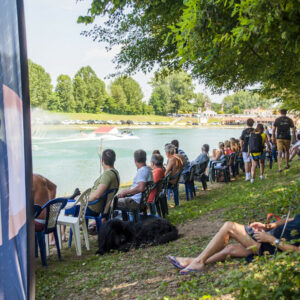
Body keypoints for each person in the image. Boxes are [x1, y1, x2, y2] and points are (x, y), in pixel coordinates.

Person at [167, 215, 300, 275]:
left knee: (229, 227)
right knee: (229, 249)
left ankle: (199, 261)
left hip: (271, 247)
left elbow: (297, 251)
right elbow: (291, 219)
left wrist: (270, 239)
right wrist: (266, 226)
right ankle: (191, 262)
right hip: (268, 237)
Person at [87, 149, 120, 221]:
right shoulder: (116, 173)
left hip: (93, 208)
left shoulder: (107, 175)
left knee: (67, 207)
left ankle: (62, 232)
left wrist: (83, 200)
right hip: (102, 207)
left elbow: (96, 195)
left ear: (102, 160)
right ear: (114, 160)